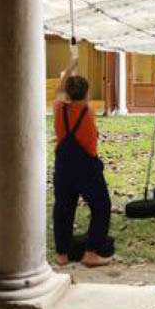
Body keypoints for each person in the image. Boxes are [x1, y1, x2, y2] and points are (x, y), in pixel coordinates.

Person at [52, 58, 113, 267]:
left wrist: (69, 67)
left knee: (63, 208)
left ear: (68, 94)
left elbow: (60, 90)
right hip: (86, 166)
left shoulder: (59, 108)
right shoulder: (88, 112)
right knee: (102, 206)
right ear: (86, 94)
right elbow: (69, 93)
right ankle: (91, 252)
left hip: (63, 166)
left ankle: (62, 254)